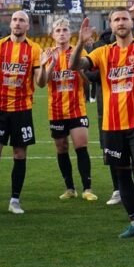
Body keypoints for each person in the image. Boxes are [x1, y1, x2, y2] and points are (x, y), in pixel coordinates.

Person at [70, 6, 134, 241]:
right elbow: (74, 66)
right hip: (112, 125)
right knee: (122, 174)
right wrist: (80, 43)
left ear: (132, 22)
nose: (121, 23)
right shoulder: (102, 52)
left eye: (125, 19)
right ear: (111, 25)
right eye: (116, 19)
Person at [0, 10, 43, 217]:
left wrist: (45, 67)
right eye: (14, 20)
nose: (17, 23)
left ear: (27, 26)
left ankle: (15, 200)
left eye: (22, 20)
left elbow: (41, 82)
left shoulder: (34, 49)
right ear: (10, 24)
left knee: (20, 154)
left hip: (22, 110)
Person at [41, 18, 97, 202]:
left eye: (65, 30)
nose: (62, 33)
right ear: (52, 35)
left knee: (81, 146)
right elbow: (43, 82)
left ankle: (87, 188)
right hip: (56, 110)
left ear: (70, 33)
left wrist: (78, 68)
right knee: (62, 148)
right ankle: (70, 188)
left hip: (76, 108)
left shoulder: (79, 52)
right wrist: (50, 63)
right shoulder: (47, 54)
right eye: (58, 30)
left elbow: (89, 80)